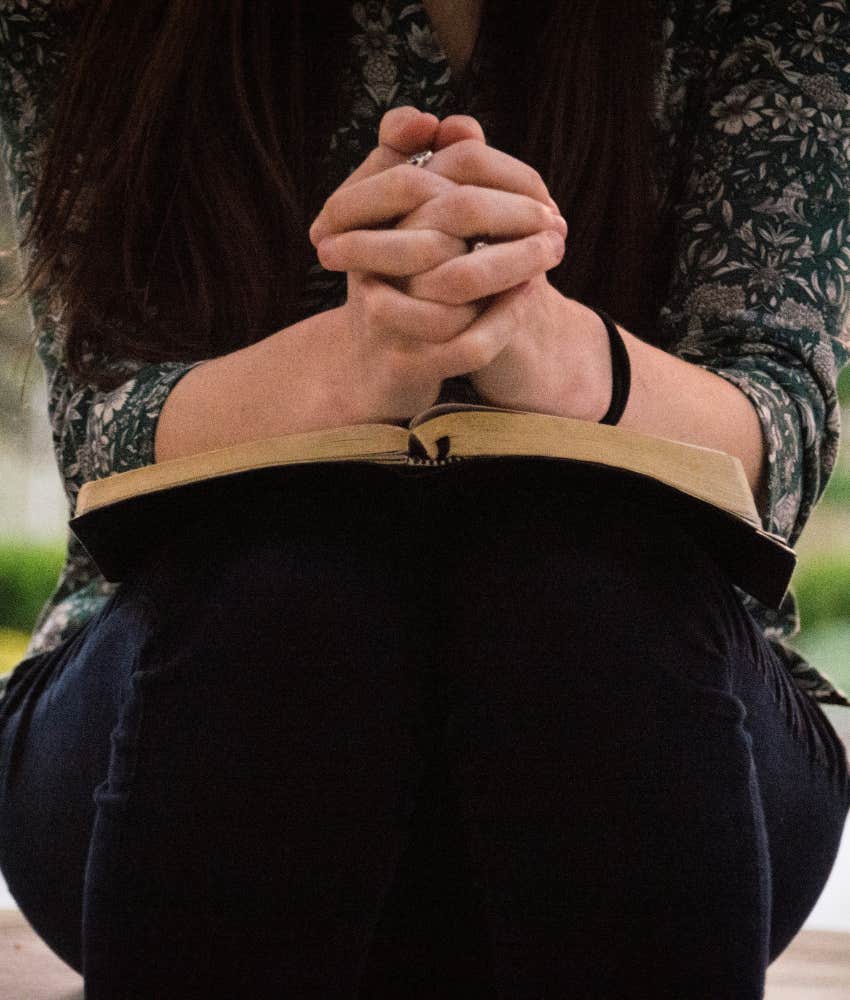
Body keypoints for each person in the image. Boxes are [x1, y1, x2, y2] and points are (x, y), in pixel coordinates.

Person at [0, 0, 849, 996]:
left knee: (581, 597)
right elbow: (96, 428)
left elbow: (781, 431)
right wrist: (350, 364)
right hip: (175, 729)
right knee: (289, 594)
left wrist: (555, 352)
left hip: (660, 733)